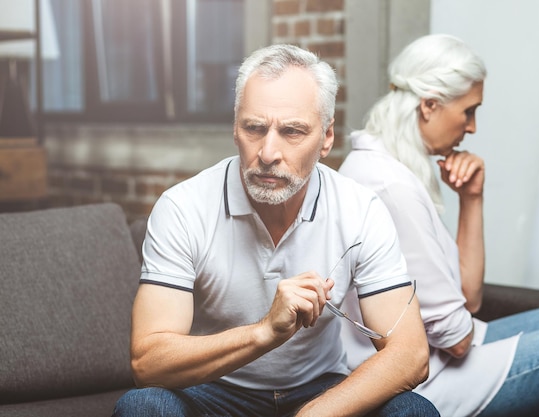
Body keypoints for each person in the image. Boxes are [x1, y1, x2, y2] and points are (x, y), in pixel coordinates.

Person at [112, 44, 440, 417]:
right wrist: (264, 331)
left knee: (413, 411)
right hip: (213, 390)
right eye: (255, 128)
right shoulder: (183, 208)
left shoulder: (360, 210)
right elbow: (147, 362)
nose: (268, 152)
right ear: (235, 128)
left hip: (318, 391)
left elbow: (410, 355)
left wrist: (312, 415)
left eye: (292, 132)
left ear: (327, 138)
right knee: (141, 407)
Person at [338, 33, 539, 417]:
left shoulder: (391, 164)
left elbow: (469, 301)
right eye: (468, 112)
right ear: (429, 106)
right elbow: (457, 339)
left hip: (443, 351)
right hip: (431, 377)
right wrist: (465, 326)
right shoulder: (391, 186)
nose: (472, 128)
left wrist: (472, 197)